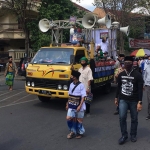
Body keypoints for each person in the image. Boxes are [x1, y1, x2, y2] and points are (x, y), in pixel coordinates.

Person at [115, 56, 143, 145]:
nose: (127, 64)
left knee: (134, 118)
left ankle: (133, 135)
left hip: (134, 100)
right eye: (125, 63)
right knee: (122, 117)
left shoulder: (137, 75)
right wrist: (116, 98)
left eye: (129, 63)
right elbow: (118, 87)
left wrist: (140, 102)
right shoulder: (121, 74)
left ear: (132, 63)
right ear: (123, 64)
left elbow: (140, 89)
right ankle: (124, 135)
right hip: (123, 99)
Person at [66, 70, 86, 139]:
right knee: (69, 119)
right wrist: (67, 104)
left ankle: (79, 132)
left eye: (73, 76)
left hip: (79, 105)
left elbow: (83, 97)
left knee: (79, 120)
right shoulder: (71, 84)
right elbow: (70, 95)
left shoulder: (81, 85)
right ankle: (72, 131)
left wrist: (80, 106)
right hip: (71, 104)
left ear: (76, 77)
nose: (71, 77)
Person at [143, 55, 150, 120]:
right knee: (149, 100)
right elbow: (144, 75)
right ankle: (149, 114)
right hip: (148, 85)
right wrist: (144, 84)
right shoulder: (147, 66)